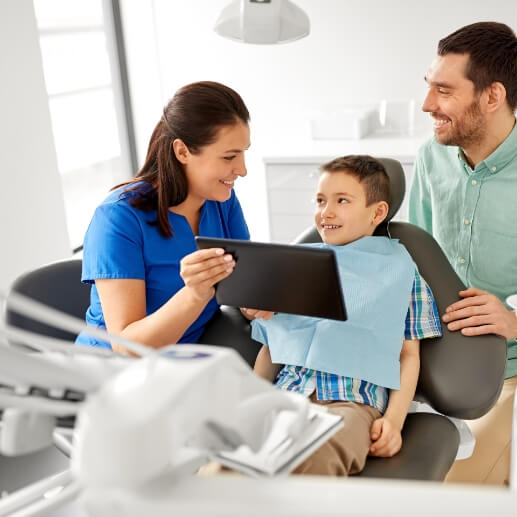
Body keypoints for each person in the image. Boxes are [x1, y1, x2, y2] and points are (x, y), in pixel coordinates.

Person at [251, 155, 442, 476]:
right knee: (231, 458)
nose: (326, 211)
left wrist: (393, 422)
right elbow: (273, 346)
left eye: (342, 201)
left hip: (352, 403)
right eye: (321, 200)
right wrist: (250, 399)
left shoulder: (402, 272)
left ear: (377, 212)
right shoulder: (295, 265)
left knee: (313, 461)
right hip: (287, 394)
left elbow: (409, 356)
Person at [76, 81, 268, 351]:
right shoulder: (118, 218)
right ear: (182, 151)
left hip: (188, 362)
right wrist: (194, 295)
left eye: (243, 153)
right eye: (228, 157)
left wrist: (256, 303)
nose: (242, 170)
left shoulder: (221, 201)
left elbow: (242, 288)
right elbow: (126, 348)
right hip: (111, 372)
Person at [409, 22, 517, 486]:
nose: (427, 104)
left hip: (507, 372)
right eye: (428, 87)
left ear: (492, 96)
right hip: (429, 359)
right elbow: (410, 251)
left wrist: (514, 320)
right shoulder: (431, 157)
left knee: (450, 489)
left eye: (444, 90)